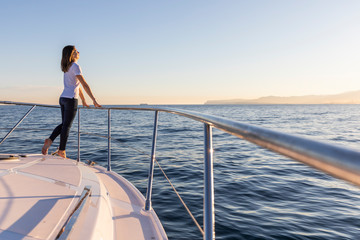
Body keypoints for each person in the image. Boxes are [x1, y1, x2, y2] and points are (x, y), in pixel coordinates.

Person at [42, 45, 101, 158]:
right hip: (70, 100)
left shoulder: (67, 67)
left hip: (63, 98)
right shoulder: (75, 66)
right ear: (71, 55)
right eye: (75, 51)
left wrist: (83, 100)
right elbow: (84, 84)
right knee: (67, 126)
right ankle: (61, 151)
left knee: (64, 124)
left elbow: (76, 86)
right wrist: (94, 99)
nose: (78, 52)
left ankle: (50, 140)